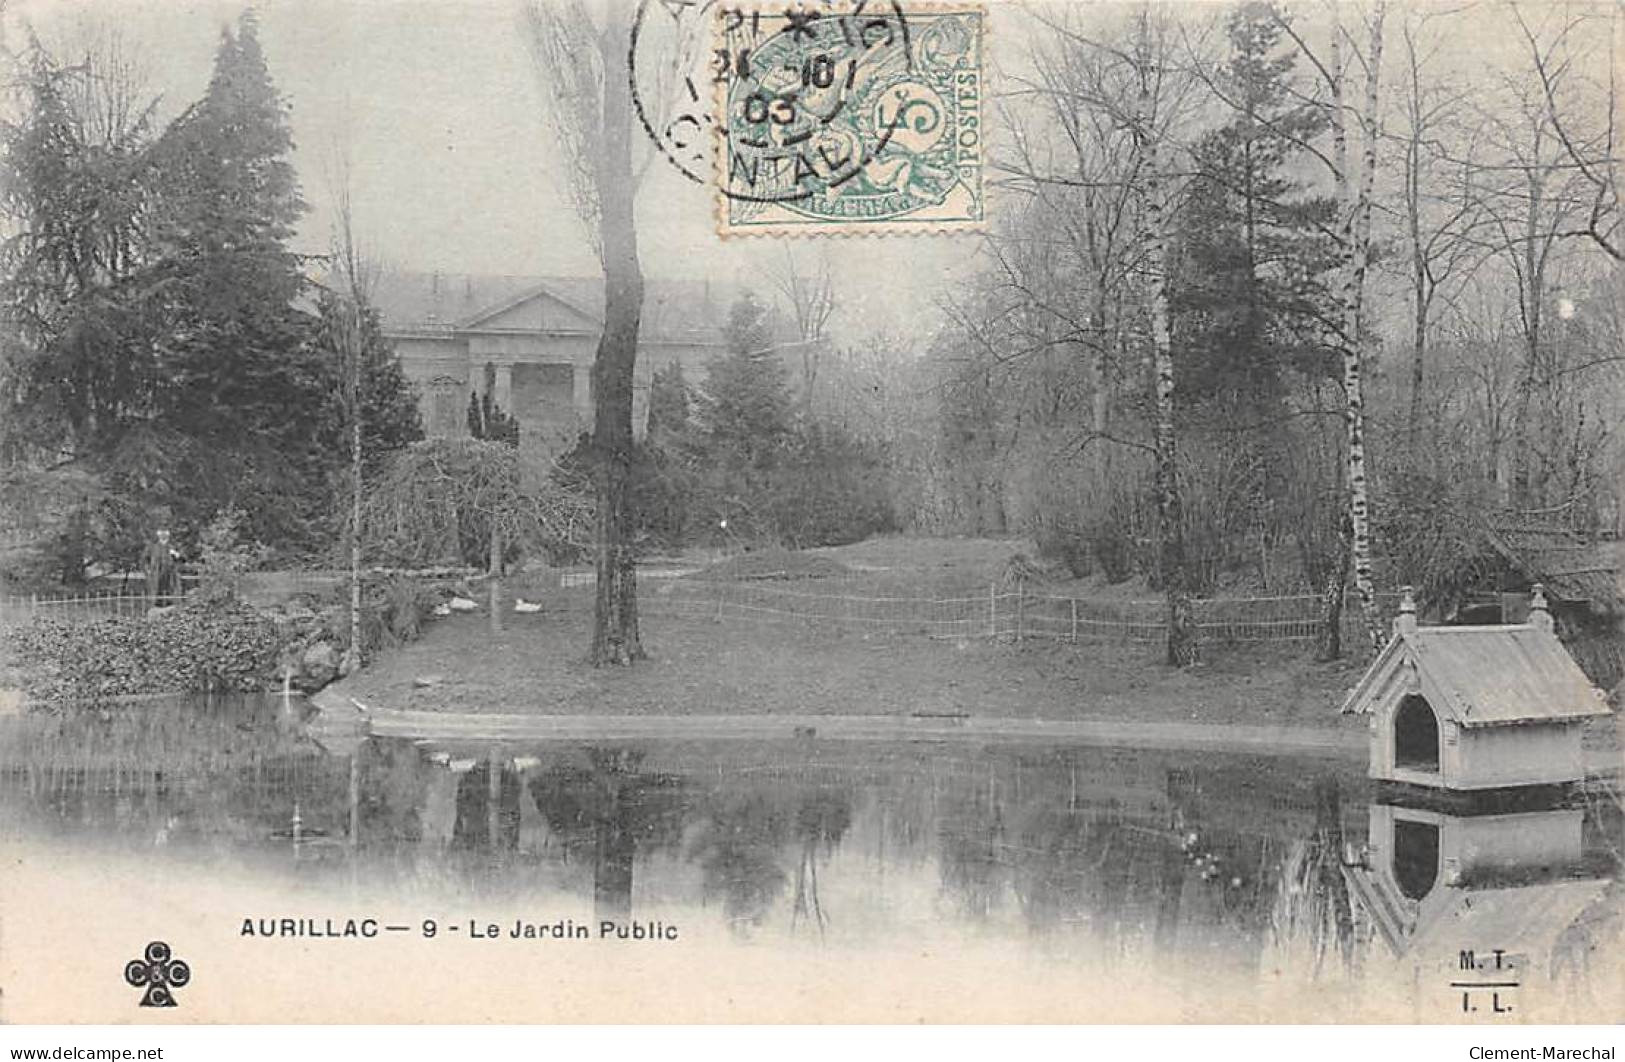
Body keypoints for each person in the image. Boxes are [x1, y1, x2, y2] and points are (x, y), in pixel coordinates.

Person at [145, 528, 182, 606]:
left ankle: (170, 604)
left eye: (165, 532)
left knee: (170, 592)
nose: (163, 534)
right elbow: (145, 560)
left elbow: (182, 559)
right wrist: (148, 572)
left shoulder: (173, 546)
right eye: (161, 532)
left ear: (168, 534)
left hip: (170, 574)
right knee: (157, 593)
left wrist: (176, 554)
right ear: (158, 534)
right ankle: (156, 605)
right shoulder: (152, 547)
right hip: (157, 574)